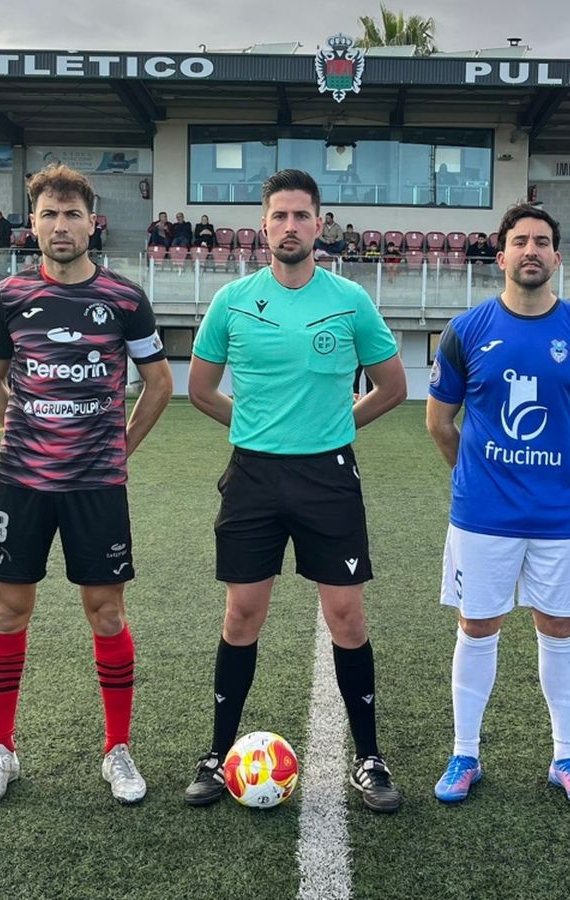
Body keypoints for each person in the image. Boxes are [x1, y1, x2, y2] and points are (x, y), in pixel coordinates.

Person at [184, 169, 408, 812]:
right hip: (252, 476)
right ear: (264, 225)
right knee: (242, 614)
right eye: (278, 216)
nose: (289, 226)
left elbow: (391, 388)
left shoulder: (350, 300)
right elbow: (200, 391)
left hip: (328, 476)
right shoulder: (231, 300)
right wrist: (258, 431)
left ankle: (368, 758)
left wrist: (336, 428)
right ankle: (217, 751)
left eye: (301, 215)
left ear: (319, 223)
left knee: (347, 617)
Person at [0, 164, 172, 806]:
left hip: (96, 485)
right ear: (34, 222)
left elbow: (159, 383)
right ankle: (2, 750)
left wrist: (118, 446)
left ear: (92, 222)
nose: (61, 226)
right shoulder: (9, 297)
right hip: (22, 483)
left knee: (106, 612)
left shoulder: (125, 297)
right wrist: (25, 435)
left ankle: (118, 750)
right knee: (10, 609)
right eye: (50, 214)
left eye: (72, 214)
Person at [425, 203, 570, 806]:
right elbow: (439, 422)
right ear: (501, 254)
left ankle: (567, 757)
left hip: (561, 518)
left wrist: (562, 478)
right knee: (477, 626)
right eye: (520, 241)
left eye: (542, 241)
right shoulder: (467, 330)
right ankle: (465, 754)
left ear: (557, 257)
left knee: (560, 629)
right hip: (483, 517)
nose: (531, 250)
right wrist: (482, 480)